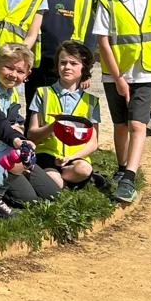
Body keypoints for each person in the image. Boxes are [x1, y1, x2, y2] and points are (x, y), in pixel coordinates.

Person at [93, 0, 151, 204]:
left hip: (146, 73)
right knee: (121, 124)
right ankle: (122, 166)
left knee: (137, 124)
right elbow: (103, 43)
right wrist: (120, 79)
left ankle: (129, 178)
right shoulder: (107, 4)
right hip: (117, 75)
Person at [0, 44, 55, 207]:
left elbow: (17, 123)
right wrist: (15, 131)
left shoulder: (13, 92)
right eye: (8, 68)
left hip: (11, 149)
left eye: (20, 71)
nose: (13, 75)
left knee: (52, 193)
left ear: (28, 74)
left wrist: (18, 131)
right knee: (29, 200)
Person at [28, 40, 102, 190]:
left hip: (75, 156)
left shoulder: (92, 102)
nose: (67, 67)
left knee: (83, 169)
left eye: (73, 63)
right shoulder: (43, 93)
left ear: (84, 67)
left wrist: (72, 157)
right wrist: (53, 127)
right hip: (47, 153)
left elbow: (93, 143)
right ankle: (67, 181)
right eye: (63, 62)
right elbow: (31, 135)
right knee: (55, 183)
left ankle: (74, 177)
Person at [34, 0, 96, 99]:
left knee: (67, 113)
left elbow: (90, 39)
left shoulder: (83, 1)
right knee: (35, 112)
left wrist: (86, 71)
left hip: (70, 70)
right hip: (39, 70)